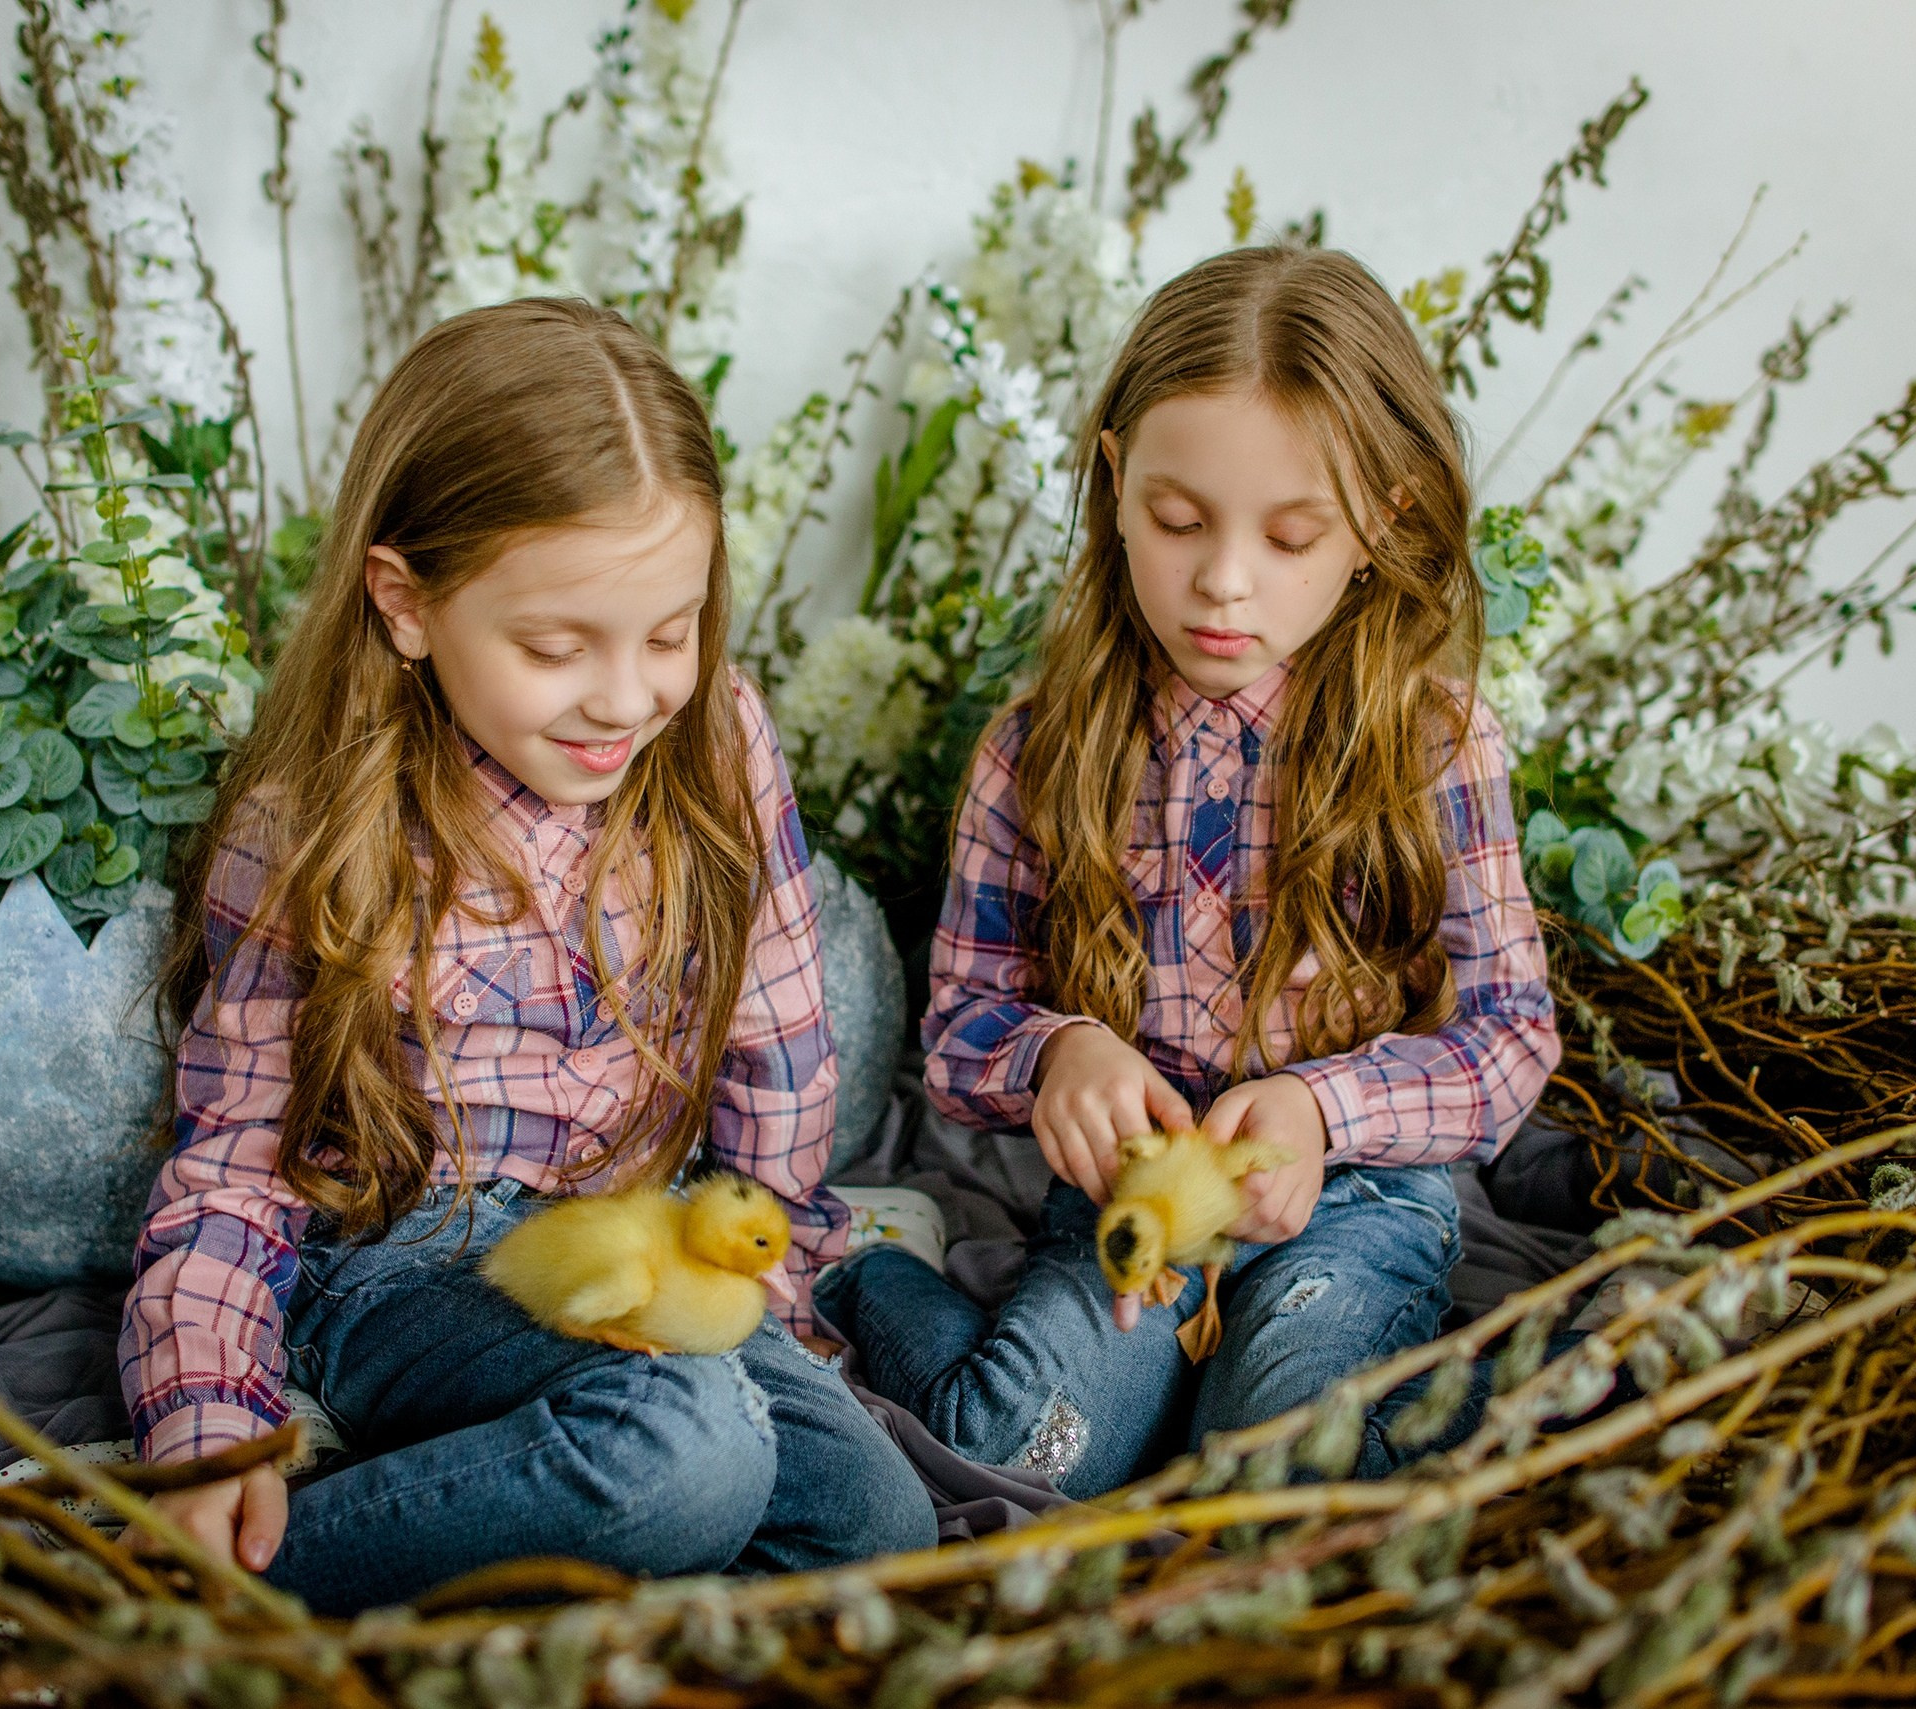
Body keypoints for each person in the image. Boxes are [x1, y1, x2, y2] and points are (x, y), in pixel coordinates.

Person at [120, 299, 935, 1613]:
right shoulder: (318, 826)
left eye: (668, 632)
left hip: (646, 1248)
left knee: (875, 1522)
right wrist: (208, 1422)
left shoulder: (716, 740)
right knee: (690, 1453)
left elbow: (778, 1054)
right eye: (558, 647)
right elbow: (234, 1169)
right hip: (406, 1255)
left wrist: (764, 1280)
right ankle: (223, 1596)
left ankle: (543, 1549)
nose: (626, 696)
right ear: (406, 603)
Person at [819, 245, 1558, 1498]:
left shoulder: (1430, 740)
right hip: (1136, 1209)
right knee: (1025, 1453)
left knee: (1274, 1456)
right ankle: (855, 1257)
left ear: (1382, 518)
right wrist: (1057, 1052)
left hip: (1359, 1197)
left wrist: (1326, 1112)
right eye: (1176, 519)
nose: (1222, 579)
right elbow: (958, 1023)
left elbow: (1510, 1033)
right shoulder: (1040, 745)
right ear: (1114, 483)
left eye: (1288, 536)